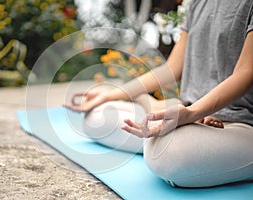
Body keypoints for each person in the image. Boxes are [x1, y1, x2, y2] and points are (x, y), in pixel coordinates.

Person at [65, 0, 253, 188]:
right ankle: (159, 113)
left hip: (239, 124)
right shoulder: (198, 2)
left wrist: (193, 113)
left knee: (166, 154)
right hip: (189, 115)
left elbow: (245, 72)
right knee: (97, 118)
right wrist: (113, 94)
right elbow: (171, 68)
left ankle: (154, 109)